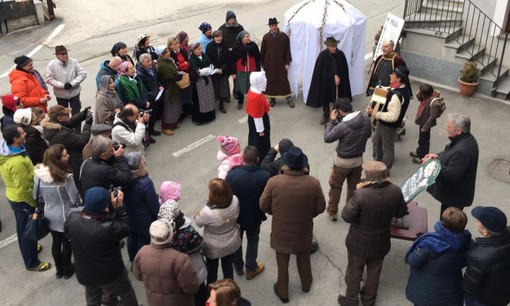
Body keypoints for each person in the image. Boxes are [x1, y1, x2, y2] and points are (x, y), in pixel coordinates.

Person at [260, 146, 326, 303]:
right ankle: (306, 284)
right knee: (303, 257)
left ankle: (283, 292)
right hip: (303, 229)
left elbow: (263, 205)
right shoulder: (313, 183)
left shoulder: (273, 182)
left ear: (285, 164)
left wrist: (274, 213)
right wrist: (308, 215)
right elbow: (321, 207)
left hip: (280, 231)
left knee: (282, 264)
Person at [338, 161, 408, 306]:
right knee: (374, 272)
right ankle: (369, 300)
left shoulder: (360, 194)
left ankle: (351, 300)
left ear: (368, 177)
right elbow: (401, 212)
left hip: (358, 241)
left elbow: (346, 216)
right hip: (381, 241)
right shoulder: (395, 190)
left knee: (355, 271)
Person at [65, 187, 138, 306]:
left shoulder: (72, 219)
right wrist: (119, 208)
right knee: (126, 295)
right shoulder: (106, 228)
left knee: (92, 300)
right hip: (111, 274)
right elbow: (124, 228)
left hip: (86, 273)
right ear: (104, 206)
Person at [0, 125, 51, 272]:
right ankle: (32, 262)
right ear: (15, 139)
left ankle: (31, 247)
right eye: (22, 133)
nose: (26, 134)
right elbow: (23, 190)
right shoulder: (17, 163)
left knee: (22, 227)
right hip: (22, 200)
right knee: (27, 230)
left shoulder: (10, 150)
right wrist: (33, 204)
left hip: (14, 197)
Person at [405, 207, 471, 306]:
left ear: (444, 222)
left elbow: (413, 261)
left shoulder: (429, 243)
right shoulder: (468, 243)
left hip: (426, 292)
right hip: (451, 293)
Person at [34, 144, 81, 279]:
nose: (68, 156)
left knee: (56, 241)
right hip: (65, 213)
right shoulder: (66, 177)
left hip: (49, 212)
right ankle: (67, 268)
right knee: (67, 242)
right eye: (65, 155)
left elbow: (37, 196)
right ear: (58, 160)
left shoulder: (38, 176)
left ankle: (59, 270)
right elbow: (74, 198)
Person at [132, 219, 201, 306]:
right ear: (170, 235)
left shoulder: (142, 252)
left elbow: (138, 275)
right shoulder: (180, 259)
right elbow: (192, 287)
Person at [324, 98, 372, 221]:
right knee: (352, 187)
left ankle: (332, 211)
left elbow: (328, 138)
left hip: (342, 162)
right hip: (358, 160)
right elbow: (368, 135)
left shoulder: (342, 126)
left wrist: (331, 121)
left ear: (339, 111)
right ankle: (350, 210)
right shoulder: (366, 119)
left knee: (335, 186)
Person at [226, 146, 270, 280]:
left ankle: (238, 266)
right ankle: (251, 267)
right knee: (253, 240)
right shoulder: (264, 175)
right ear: (257, 160)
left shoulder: (232, 175)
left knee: (237, 241)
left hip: (236, 217)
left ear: (242, 159)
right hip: (254, 216)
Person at [423, 113, 479, 217]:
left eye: (449, 127)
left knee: (448, 223)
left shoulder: (462, 150)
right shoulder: (466, 139)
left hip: (454, 197)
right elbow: (450, 153)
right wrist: (437, 156)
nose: (446, 128)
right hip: (456, 195)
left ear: (458, 131)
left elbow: (452, 174)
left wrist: (432, 165)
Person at [158, 199, 208, 306]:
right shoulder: (188, 231)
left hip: (176, 275)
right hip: (195, 269)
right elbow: (201, 244)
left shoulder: (161, 234)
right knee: (199, 293)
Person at [194, 178, 241, 284]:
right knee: (228, 268)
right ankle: (229, 291)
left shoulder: (207, 212)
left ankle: (211, 293)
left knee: (211, 271)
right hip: (231, 240)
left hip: (213, 245)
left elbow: (198, 222)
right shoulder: (235, 200)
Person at [365, 66, 411, 174]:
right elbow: (390, 91)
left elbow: (392, 117)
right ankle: (377, 164)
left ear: (398, 79)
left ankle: (384, 171)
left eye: (393, 74)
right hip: (384, 123)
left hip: (388, 125)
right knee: (376, 141)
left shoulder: (396, 96)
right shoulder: (403, 90)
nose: (390, 75)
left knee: (387, 147)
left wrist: (374, 113)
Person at [462, 206, 510, 306]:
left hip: (485, 300)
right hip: (503, 294)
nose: (476, 221)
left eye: (478, 221)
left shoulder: (479, 256)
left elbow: (469, 287)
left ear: (485, 232)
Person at [42, 105, 92, 187]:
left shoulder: (51, 126)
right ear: (59, 118)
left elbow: (69, 122)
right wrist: (88, 124)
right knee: (78, 182)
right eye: (67, 115)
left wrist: (83, 114)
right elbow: (82, 140)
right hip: (72, 161)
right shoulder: (63, 134)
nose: (69, 116)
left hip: (66, 159)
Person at [122, 152, 159, 261]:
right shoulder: (145, 183)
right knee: (143, 240)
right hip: (144, 220)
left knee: (132, 236)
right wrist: (158, 217)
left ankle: (133, 259)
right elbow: (153, 205)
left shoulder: (124, 180)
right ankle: (141, 262)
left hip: (129, 215)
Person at [306, 37, 352, 125]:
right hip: (326, 84)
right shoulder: (322, 56)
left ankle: (338, 114)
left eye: (335, 46)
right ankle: (326, 115)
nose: (334, 48)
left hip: (339, 84)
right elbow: (320, 72)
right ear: (327, 46)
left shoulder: (340, 54)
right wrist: (332, 77)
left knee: (338, 99)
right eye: (332, 46)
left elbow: (344, 70)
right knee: (325, 99)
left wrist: (339, 77)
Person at [45, 45, 87, 116]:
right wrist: (62, 85)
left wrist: (72, 84)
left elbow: (82, 73)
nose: (65, 55)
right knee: (63, 116)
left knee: (77, 115)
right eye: (62, 54)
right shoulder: (51, 65)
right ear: (57, 55)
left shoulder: (74, 62)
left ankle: (77, 127)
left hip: (74, 94)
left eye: (66, 53)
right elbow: (49, 79)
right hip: (61, 96)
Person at [260, 17, 293, 108]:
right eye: (271, 26)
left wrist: (287, 62)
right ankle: (272, 99)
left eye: (274, 25)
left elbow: (287, 50)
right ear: (269, 27)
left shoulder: (284, 36)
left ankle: (288, 98)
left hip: (281, 63)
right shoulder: (266, 37)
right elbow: (262, 51)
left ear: (277, 25)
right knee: (271, 82)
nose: (273, 27)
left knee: (284, 81)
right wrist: (262, 63)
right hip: (269, 64)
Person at [410, 84, 442, 164]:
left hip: (426, 124)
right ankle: (419, 152)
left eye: (420, 91)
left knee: (424, 141)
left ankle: (423, 157)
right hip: (422, 121)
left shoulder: (434, 103)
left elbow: (432, 117)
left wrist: (425, 128)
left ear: (424, 94)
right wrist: (418, 94)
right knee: (421, 139)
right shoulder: (427, 97)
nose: (418, 91)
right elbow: (421, 100)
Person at [231, 31, 261, 110]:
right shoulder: (236, 46)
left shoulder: (253, 45)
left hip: (252, 70)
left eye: (249, 36)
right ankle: (240, 101)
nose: (249, 38)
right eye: (246, 37)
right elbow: (232, 60)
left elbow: (258, 58)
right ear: (242, 38)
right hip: (241, 70)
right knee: (241, 88)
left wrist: (258, 70)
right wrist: (233, 72)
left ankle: (254, 102)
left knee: (253, 87)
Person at [157, 47, 183, 136]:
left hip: (174, 87)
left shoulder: (168, 60)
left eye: (168, 51)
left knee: (175, 106)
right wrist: (177, 77)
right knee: (169, 109)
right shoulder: (161, 65)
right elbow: (168, 78)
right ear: (161, 54)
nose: (168, 53)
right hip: (169, 88)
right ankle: (165, 127)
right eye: (165, 52)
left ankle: (173, 123)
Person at [189, 42, 217, 125]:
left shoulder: (204, 55)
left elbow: (211, 65)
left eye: (201, 48)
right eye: (198, 49)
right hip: (199, 82)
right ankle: (200, 119)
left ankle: (210, 116)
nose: (200, 50)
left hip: (208, 80)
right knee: (201, 100)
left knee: (209, 97)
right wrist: (207, 70)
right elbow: (198, 72)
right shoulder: (192, 59)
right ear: (193, 51)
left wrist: (208, 69)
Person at [246, 71, 271, 161]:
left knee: (253, 137)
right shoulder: (257, 97)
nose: (265, 81)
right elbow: (258, 116)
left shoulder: (252, 90)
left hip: (252, 119)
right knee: (260, 141)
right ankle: (262, 158)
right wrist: (260, 130)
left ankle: (253, 156)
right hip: (259, 122)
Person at [136, 53, 161, 136]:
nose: (150, 62)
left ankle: (152, 130)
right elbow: (143, 89)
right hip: (149, 98)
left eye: (150, 60)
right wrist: (149, 96)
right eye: (147, 61)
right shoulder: (140, 74)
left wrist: (159, 85)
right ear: (142, 63)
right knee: (149, 116)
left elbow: (156, 79)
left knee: (154, 114)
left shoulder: (153, 68)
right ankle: (148, 134)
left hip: (156, 95)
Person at [206, 30, 231, 114]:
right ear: (214, 38)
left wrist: (222, 69)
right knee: (215, 87)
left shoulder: (225, 45)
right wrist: (216, 68)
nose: (218, 38)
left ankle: (221, 104)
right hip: (214, 71)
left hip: (223, 71)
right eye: (216, 36)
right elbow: (208, 59)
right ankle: (214, 103)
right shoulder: (209, 46)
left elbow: (228, 59)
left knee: (223, 88)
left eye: (220, 36)